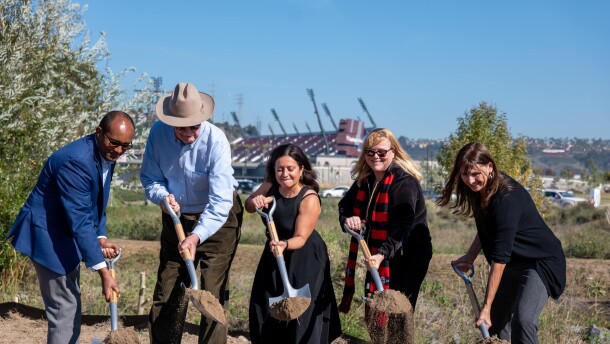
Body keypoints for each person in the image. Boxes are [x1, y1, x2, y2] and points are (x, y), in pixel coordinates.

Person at [7, 111, 134, 344]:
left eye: (125, 146)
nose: (118, 150)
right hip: (46, 233)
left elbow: (95, 204)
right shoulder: (76, 162)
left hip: (65, 231)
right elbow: (80, 220)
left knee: (70, 303)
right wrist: (104, 272)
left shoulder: (107, 154)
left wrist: (101, 237)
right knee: (64, 307)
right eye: (114, 143)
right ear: (99, 133)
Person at [140, 82, 243, 344]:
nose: (189, 133)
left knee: (212, 291)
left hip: (218, 220)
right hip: (176, 218)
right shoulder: (157, 134)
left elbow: (220, 201)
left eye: (194, 126)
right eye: (181, 127)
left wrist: (196, 236)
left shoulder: (216, 140)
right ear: (170, 121)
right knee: (168, 287)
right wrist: (163, 197)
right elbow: (151, 178)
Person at [437, 142, 566, 343]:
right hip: (513, 263)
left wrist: (486, 308)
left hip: (539, 263)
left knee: (523, 321)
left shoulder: (506, 197)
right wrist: (470, 256)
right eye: (464, 174)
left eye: (475, 174)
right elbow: (488, 228)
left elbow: (499, 259)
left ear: (490, 166)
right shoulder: (481, 191)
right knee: (496, 324)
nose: (470, 180)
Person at [246, 143, 342, 344]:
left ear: (301, 169)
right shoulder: (269, 186)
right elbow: (248, 205)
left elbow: (300, 237)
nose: (284, 173)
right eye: (279, 169)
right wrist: (255, 201)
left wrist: (284, 245)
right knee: (263, 304)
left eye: (290, 168)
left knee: (302, 311)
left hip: (304, 254)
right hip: (274, 250)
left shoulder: (309, 197)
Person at [338, 128, 432, 315]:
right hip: (376, 251)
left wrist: (381, 254)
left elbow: (404, 226)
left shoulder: (404, 182)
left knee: (398, 313)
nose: (376, 157)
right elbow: (344, 206)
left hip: (408, 254)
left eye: (381, 152)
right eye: (370, 152)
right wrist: (348, 218)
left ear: (393, 152)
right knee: (376, 307)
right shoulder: (365, 181)